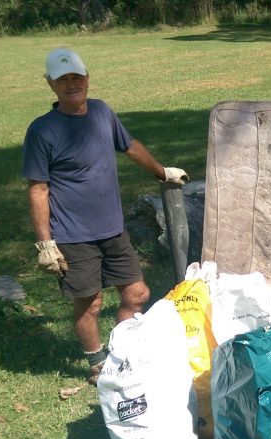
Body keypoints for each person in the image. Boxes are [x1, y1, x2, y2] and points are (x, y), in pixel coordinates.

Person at [22, 47, 189, 385]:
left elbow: (129, 146)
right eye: (63, 80)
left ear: (87, 78)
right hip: (72, 235)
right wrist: (45, 243)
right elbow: (38, 189)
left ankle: (119, 352)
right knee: (91, 303)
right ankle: (98, 363)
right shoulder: (42, 130)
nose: (72, 84)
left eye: (77, 77)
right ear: (50, 85)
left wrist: (162, 172)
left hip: (112, 229)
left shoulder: (101, 112)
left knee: (137, 293)